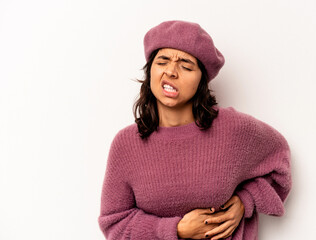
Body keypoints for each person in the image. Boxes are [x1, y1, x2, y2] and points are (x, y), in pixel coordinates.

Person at [98, 20, 292, 240]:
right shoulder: (126, 144)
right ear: (150, 71)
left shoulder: (234, 130)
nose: (171, 71)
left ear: (201, 80)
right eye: (162, 61)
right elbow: (115, 224)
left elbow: (279, 161)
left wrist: (244, 202)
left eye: (186, 65)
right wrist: (177, 230)